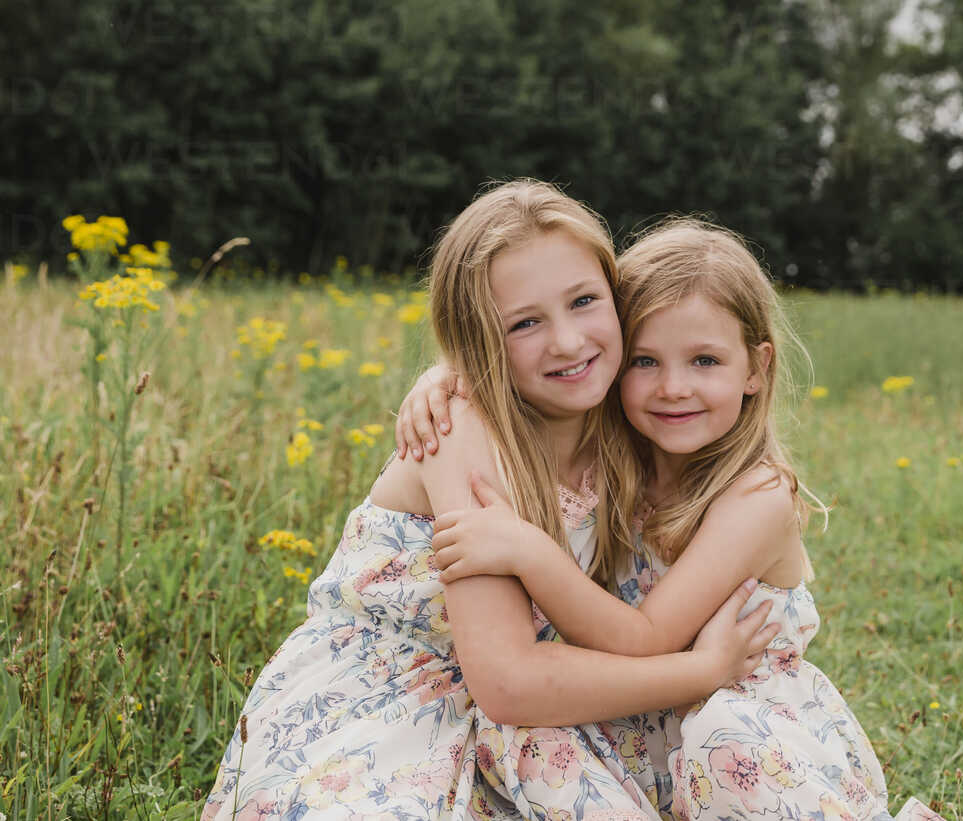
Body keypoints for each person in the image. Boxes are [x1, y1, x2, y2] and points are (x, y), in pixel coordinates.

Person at [202, 185, 779, 821]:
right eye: (524, 323)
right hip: (390, 700)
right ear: (479, 341)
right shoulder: (461, 430)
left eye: (585, 302)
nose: (566, 342)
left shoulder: (623, 410)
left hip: (527, 714)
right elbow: (508, 682)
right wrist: (701, 671)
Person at [401, 219, 947, 820]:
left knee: (720, 737)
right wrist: (448, 377)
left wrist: (529, 551)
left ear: (755, 368)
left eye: (705, 360)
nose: (673, 388)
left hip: (743, 724)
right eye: (645, 361)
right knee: (528, 742)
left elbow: (646, 639)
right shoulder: (620, 456)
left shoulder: (756, 497)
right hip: (650, 718)